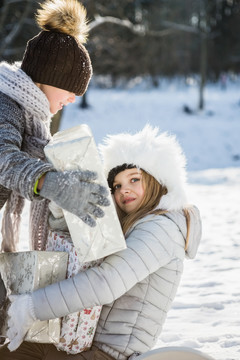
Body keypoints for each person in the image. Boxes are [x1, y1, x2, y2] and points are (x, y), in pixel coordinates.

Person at [0, 125, 202, 360]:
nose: (123, 190)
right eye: (116, 186)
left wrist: (32, 307)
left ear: (159, 182)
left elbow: (106, 281)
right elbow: (75, 243)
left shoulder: (161, 229)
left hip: (108, 353)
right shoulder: (130, 223)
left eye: (134, 179)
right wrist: (63, 208)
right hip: (75, 340)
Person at [0, 0, 110, 311]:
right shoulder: (5, 105)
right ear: (49, 76)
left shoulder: (27, 113)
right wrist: (51, 184)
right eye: (70, 89)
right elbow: (3, 160)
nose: (73, 99)